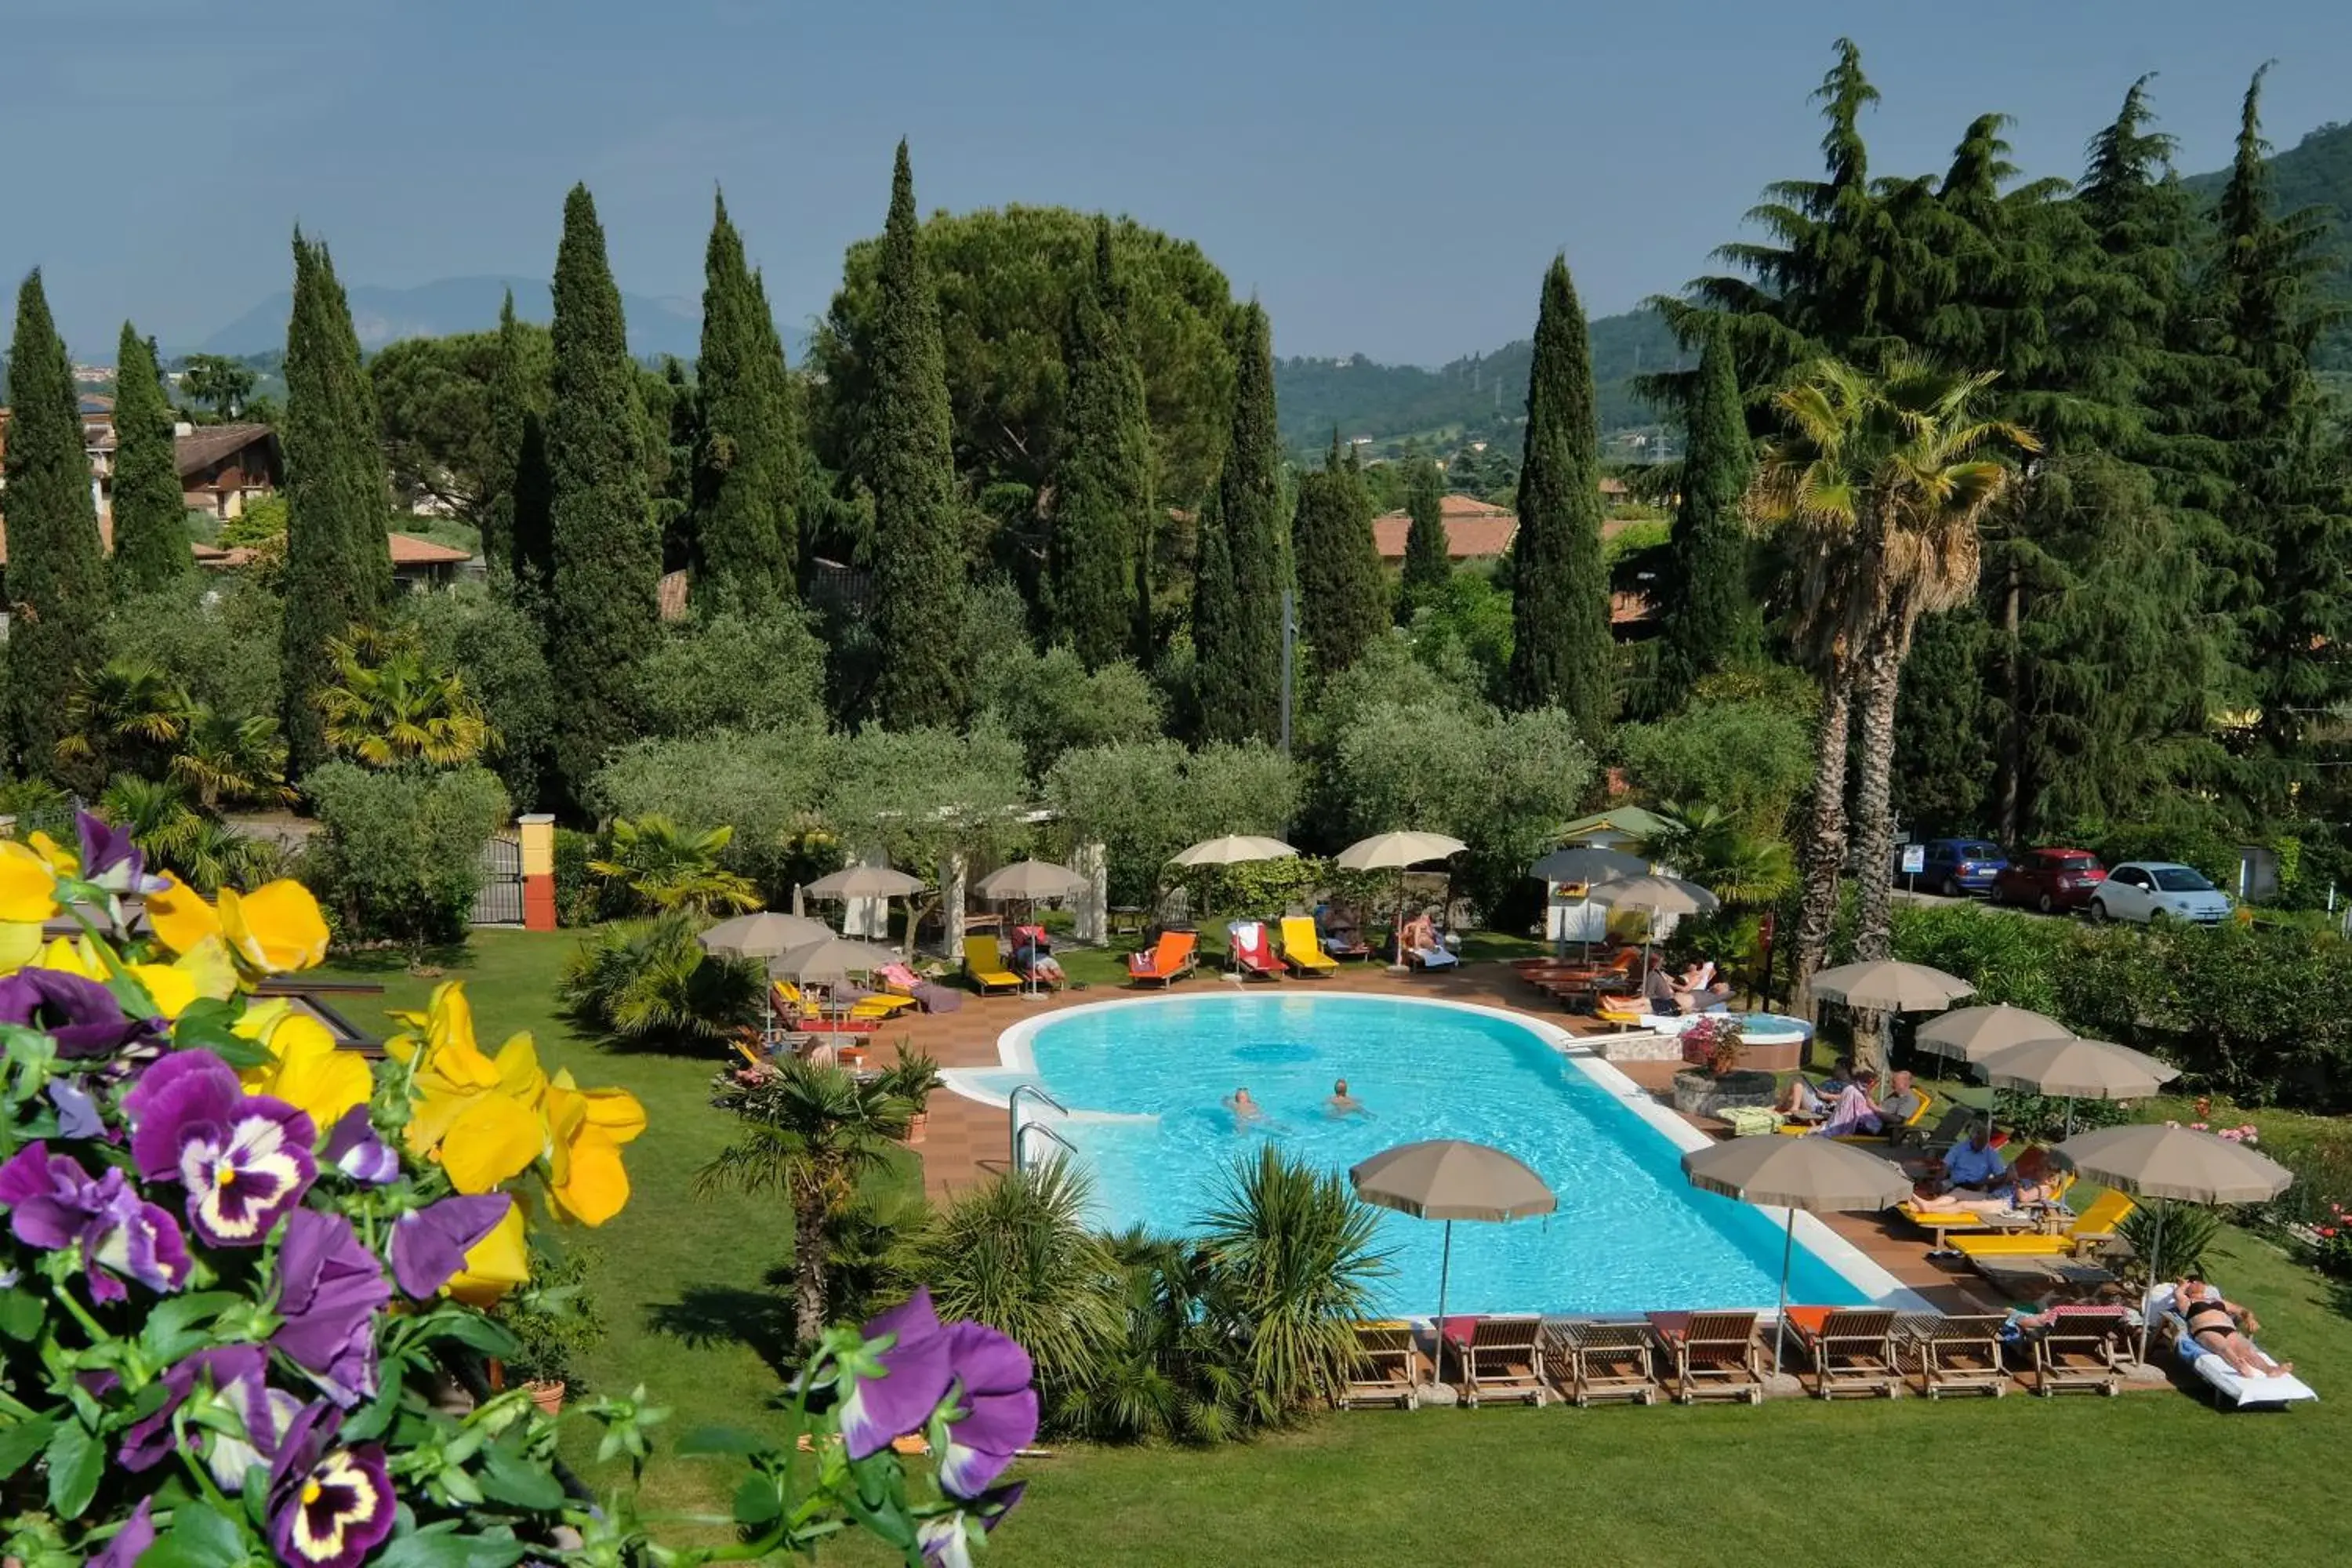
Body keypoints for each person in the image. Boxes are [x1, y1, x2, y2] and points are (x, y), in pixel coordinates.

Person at [2176, 1279, 2292, 1377]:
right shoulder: (2186, 1301)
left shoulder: (2218, 1301)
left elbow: (2242, 1311)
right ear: (2187, 1288)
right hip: (2206, 1329)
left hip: (2229, 1330)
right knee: (2223, 1347)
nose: (2197, 1283)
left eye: (2200, 1281)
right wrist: (2184, 1284)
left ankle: (2270, 1370)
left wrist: (2250, 1319)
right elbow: (2178, 1293)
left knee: (2248, 1351)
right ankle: (2239, 1366)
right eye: (2193, 1281)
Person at [1814, 1070, 1883, 1137]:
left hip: (1833, 1126)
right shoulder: (1858, 1097)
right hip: (1841, 1132)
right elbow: (1873, 1125)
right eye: (1876, 1087)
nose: (1875, 1090)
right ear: (1871, 1083)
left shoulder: (1849, 1089)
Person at [1942, 1123, 2005, 1191]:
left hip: (1976, 1187)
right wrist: (1938, 1181)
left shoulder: (1991, 1154)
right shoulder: (1959, 1148)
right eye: (1979, 1141)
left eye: (1984, 1142)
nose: (1981, 1144)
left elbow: (2001, 1176)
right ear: (1971, 1139)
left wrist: (1984, 1182)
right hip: (1954, 1184)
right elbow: (1945, 1166)